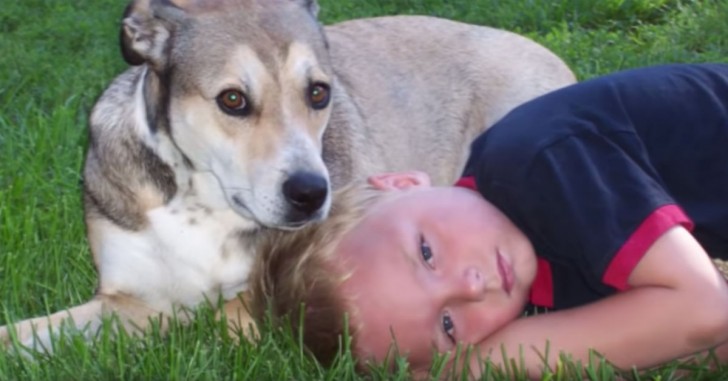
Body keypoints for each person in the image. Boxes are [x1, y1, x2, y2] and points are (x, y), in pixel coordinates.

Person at [250, 63, 728, 378]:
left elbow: (705, 311)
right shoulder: (535, 274)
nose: (472, 286)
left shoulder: (536, 163)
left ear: (402, 182)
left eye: (426, 253)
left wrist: (474, 366)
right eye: (449, 325)